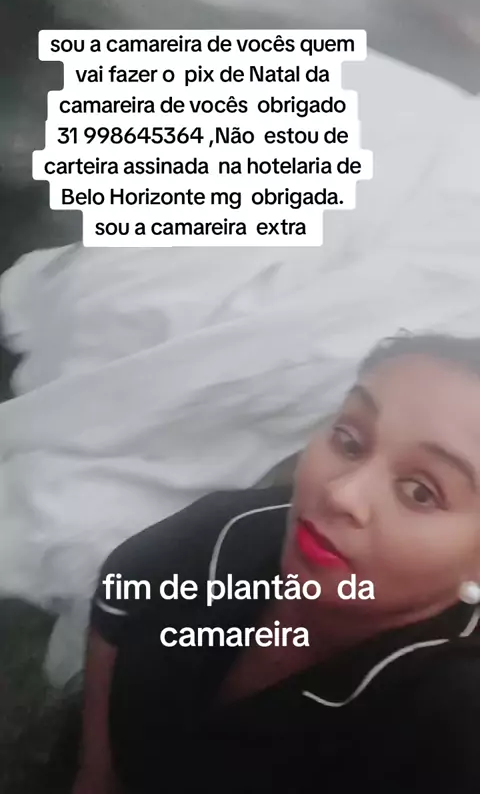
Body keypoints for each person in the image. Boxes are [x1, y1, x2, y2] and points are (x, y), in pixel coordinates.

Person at [72, 332, 480, 794]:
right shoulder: (230, 530)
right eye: (349, 441)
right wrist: (97, 775)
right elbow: (119, 597)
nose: (342, 494)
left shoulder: (454, 724)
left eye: (420, 492)